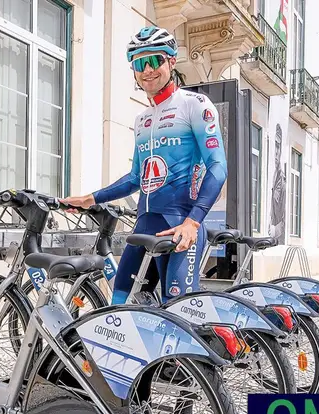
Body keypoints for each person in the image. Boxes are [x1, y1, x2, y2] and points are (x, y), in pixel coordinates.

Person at [62, 26, 228, 305]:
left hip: (179, 227)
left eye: (155, 60)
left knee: (179, 316)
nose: (148, 69)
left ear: (172, 62)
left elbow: (218, 167)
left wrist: (192, 222)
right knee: (118, 308)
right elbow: (135, 178)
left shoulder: (195, 105)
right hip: (144, 227)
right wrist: (91, 198)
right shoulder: (142, 119)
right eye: (140, 63)